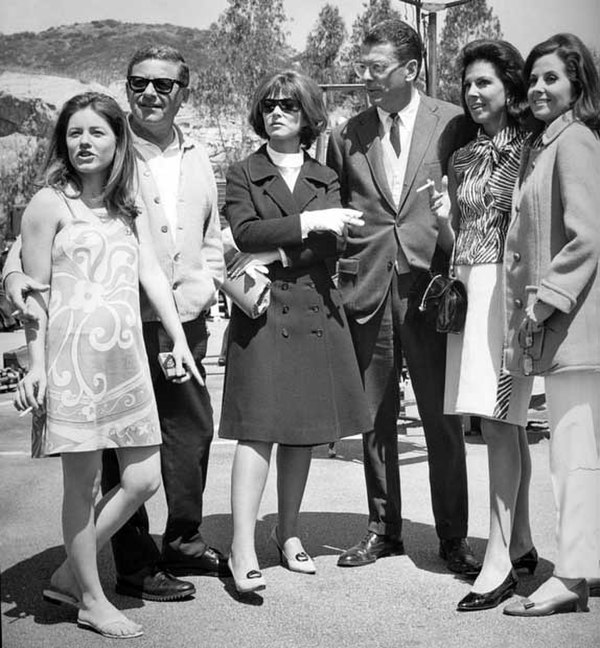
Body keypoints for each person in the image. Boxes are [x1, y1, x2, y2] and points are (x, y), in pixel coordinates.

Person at [4, 45, 226, 601]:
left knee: (188, 439)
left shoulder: (196, 155)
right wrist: (12, 281)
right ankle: (132, 566)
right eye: (139, 82)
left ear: (183, 91)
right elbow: (32, 251)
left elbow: (207, 237)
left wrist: (201, 295)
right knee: (109, 461)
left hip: (178, 321)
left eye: (164, 85)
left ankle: (182, 540)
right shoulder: (100, 135)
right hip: (100, 339)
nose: (150, 92)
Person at [326, 18, 480, 574]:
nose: (365, 77)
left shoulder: (454, 122)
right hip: (369, 287)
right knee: (375, 416)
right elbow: (340, 209)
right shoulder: (348, 132)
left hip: (433, 288)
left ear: (410, 69)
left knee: (443, 419)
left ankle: (453, 538)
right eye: (361, 67)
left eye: (376, 68)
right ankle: (382, 530)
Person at [220, 70, 371, 594]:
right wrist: (308, 225)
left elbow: (333, 247)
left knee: (302, 430)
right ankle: (242, 546)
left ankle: (288, 534)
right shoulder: (242, 172)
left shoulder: (325, 174)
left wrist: (275, 248)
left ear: (308, 115)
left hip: (312, 311)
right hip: (260, 312)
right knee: (256, 428)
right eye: (268, 104)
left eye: (287, 104)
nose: (276, 111)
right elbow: (243, 231)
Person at [435, 40, 536, 612]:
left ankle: (498, 559)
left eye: (485, 84)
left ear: (510, 88)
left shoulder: (530, 148)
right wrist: (447, 225)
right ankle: (519, 541)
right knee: (505, 423)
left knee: (502, 421)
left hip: (509, 291)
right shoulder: (463, 157)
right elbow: (464, 237)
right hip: (472, 290)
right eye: (468, 84)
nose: (473, 94)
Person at [502, 33, 600, 617]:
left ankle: (572, 576)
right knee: (578, 454)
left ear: (577, 86)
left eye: (552, 79)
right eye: (534, 78)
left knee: (575, 457)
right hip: (570, 330)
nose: (538, 88)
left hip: (578, 331)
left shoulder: (576, 141)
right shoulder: (550, 143)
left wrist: (540, 305)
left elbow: (587, 236)